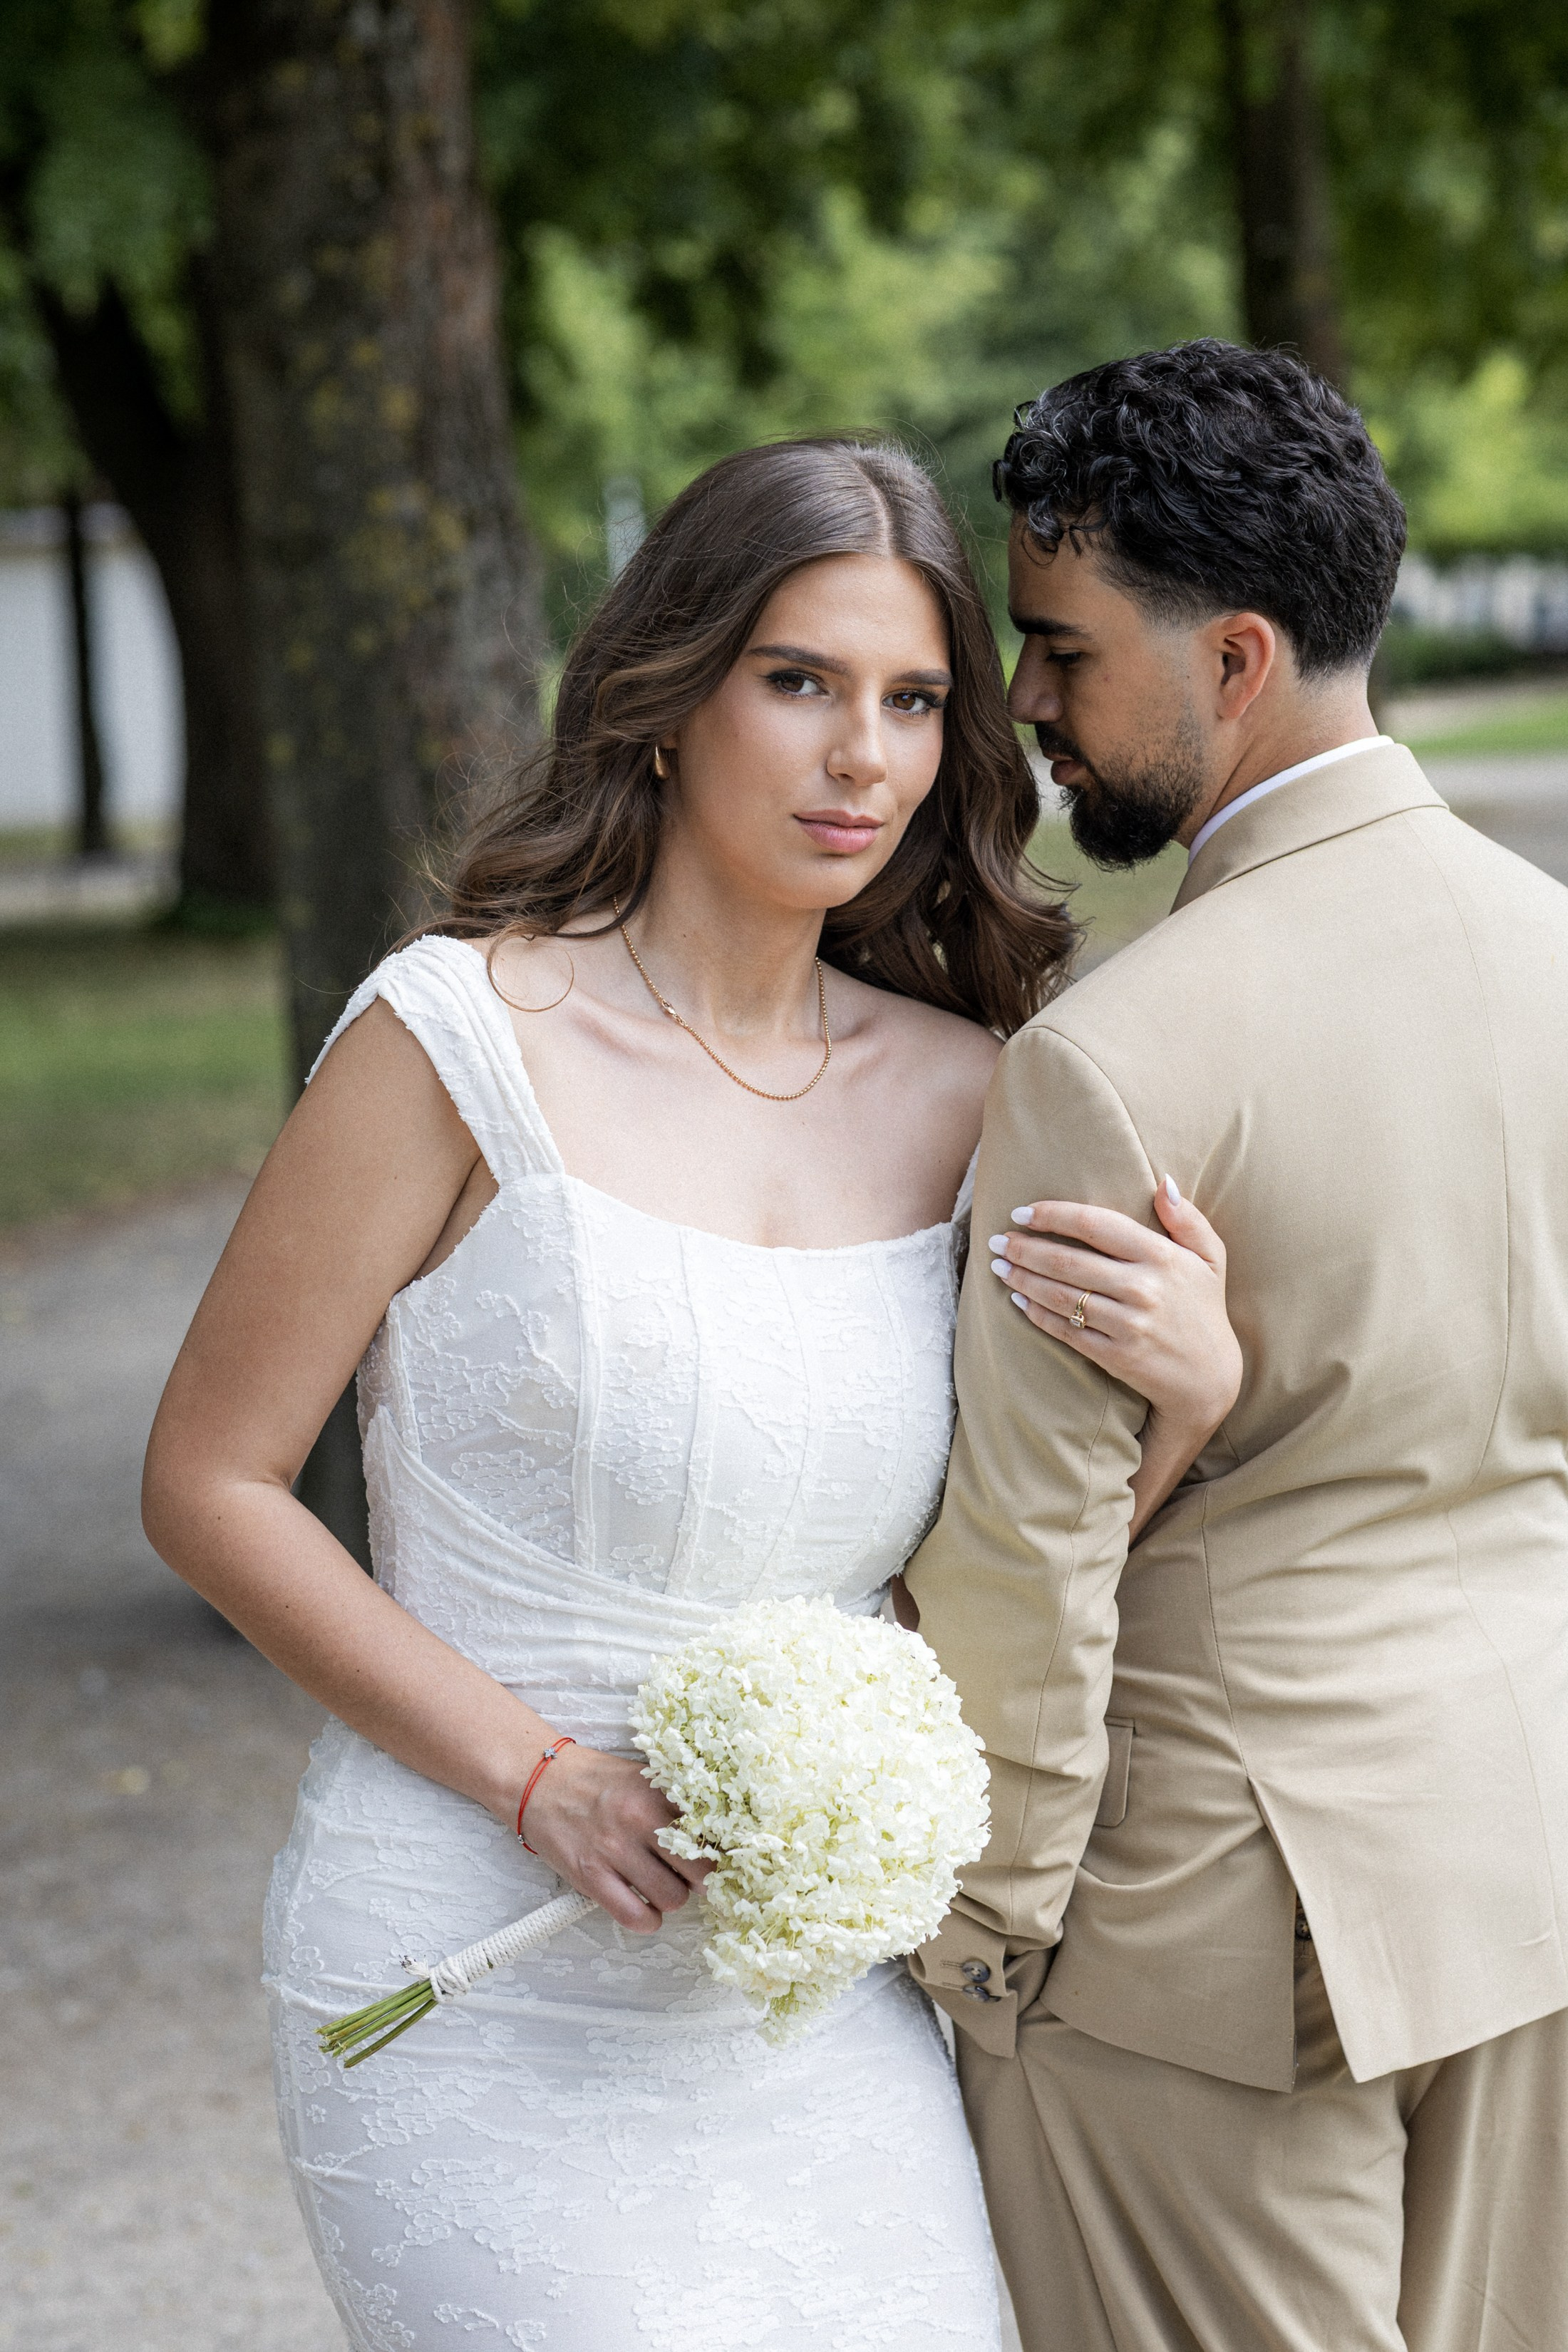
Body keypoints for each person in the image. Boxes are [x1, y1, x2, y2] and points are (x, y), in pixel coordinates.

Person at [140, 435, 1241, 2352]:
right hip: (465, 1959)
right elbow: (212, 1481)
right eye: (798, 681)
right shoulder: (456, 1037)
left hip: (807, 2009)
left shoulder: (982, 1097)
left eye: (913, 703)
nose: (862, 757)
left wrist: (1189, 1400)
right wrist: (538, 1775)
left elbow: (991, 1568)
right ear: (669, 695)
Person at [906, 339, 1568, 2352]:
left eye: (1060, 648)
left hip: (1197, 1939)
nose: (1022, 703)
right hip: (1523, 1854)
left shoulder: (1111, 1064)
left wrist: (979, 1944)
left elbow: (1026, 1571)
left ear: (1238, 657)